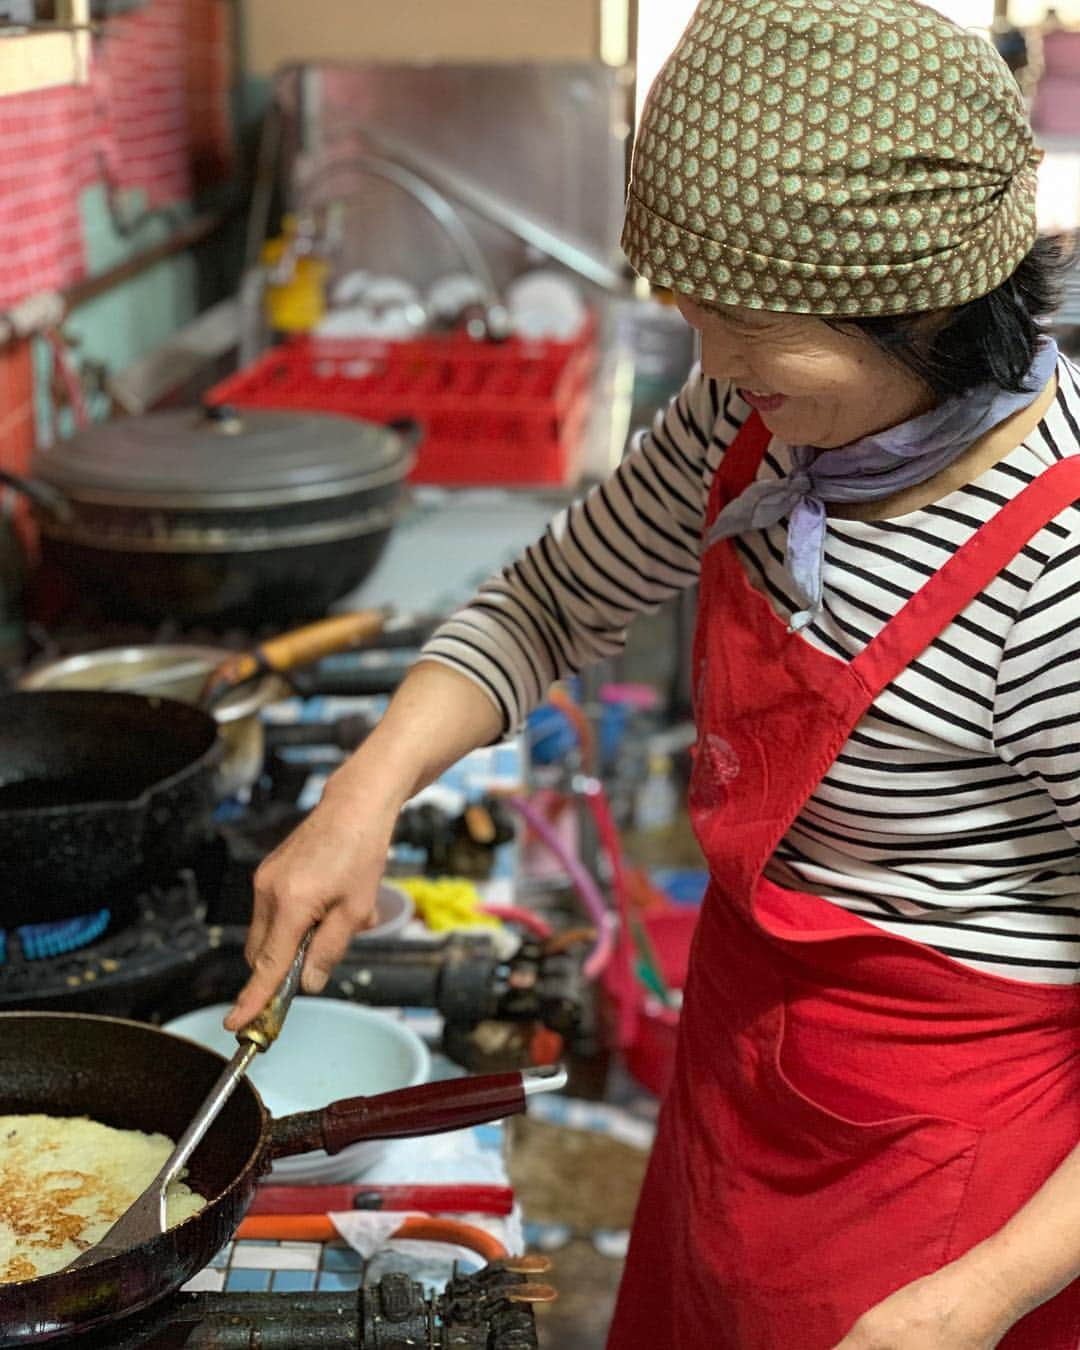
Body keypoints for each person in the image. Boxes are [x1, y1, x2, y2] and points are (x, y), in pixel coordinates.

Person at [226, 0, 1080, 1345]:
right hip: (749, 1085)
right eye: (694, 316)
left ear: (925, 306)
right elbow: (549, 599)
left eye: (748, 324)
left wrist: (971, 1299)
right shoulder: (760, 423)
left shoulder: (1055, 582)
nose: (714, 363)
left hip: (959, 1195)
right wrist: (363, 792)